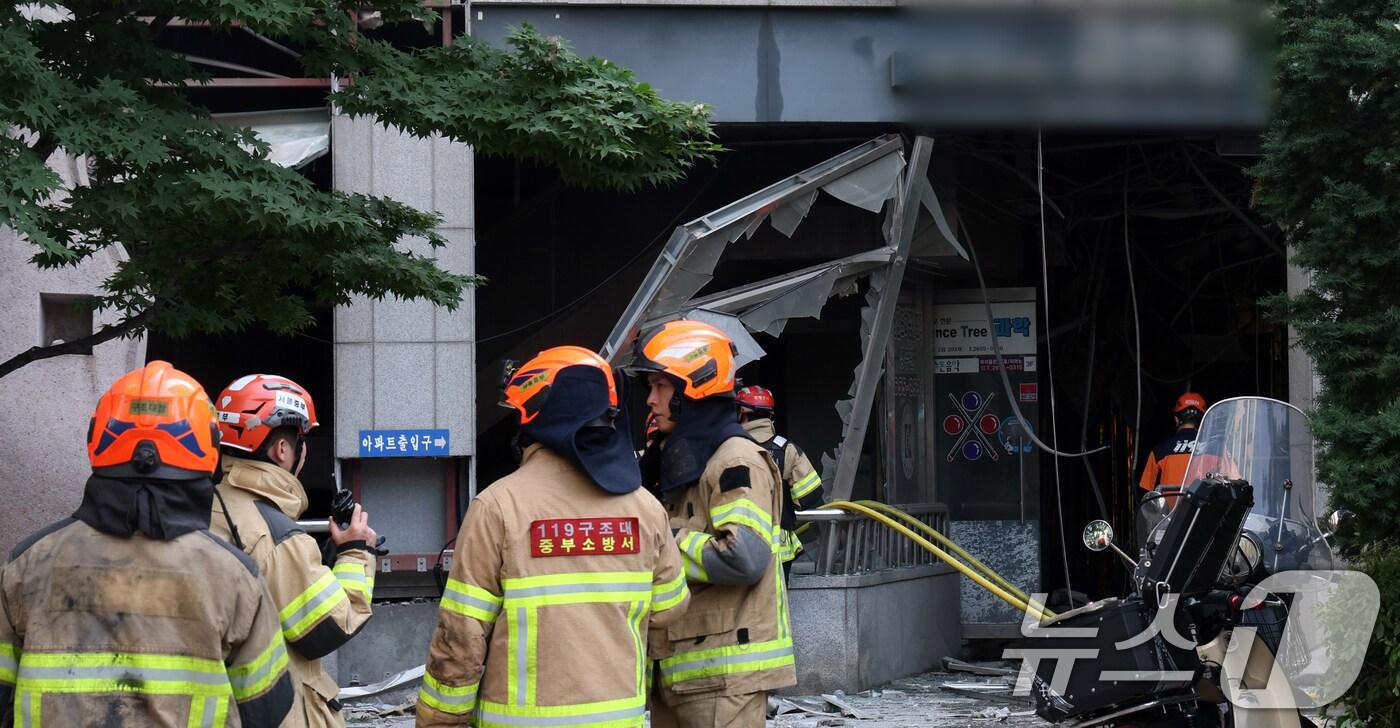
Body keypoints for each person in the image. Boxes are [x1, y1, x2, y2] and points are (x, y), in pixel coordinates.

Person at [0, 361, 293, 726]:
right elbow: (267, 708)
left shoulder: (27, 564)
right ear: (207, 446)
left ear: (98, 439)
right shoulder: (234, 575)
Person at [416, 346, 688, 727]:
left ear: (536, 416)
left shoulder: (498, 507)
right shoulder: (645, 509)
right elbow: (668, 610)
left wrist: (439, 721)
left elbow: (461, 635)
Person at [631, 321, 796, 728]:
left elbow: (743, 558)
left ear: (694, 386)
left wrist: (661, 542)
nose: (650, 400)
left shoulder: (734, 460)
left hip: (724, 676)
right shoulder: (680, 456)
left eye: (660, 386)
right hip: (680, 670)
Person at [210, 374, 376, 727]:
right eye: (301, 440)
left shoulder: (206, 508)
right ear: (283, 450)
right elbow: (327, 627)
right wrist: (356, 553)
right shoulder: (277, 535)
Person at [736, 385, 825, 580]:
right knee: (778, 605)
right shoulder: (787, 449)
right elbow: (810, 496)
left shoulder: (730, 448)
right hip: (780, 545)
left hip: (740, 543)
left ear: (741, 412)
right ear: (770, 416)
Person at [1138, 392, 1207, 501]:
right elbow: (1236, 479)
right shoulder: (1217, 449)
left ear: (1176, 418)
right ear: (1204, 419)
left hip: (1172, 516)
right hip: (1205, 514)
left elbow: (1146, 492)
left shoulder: (1160, 450)